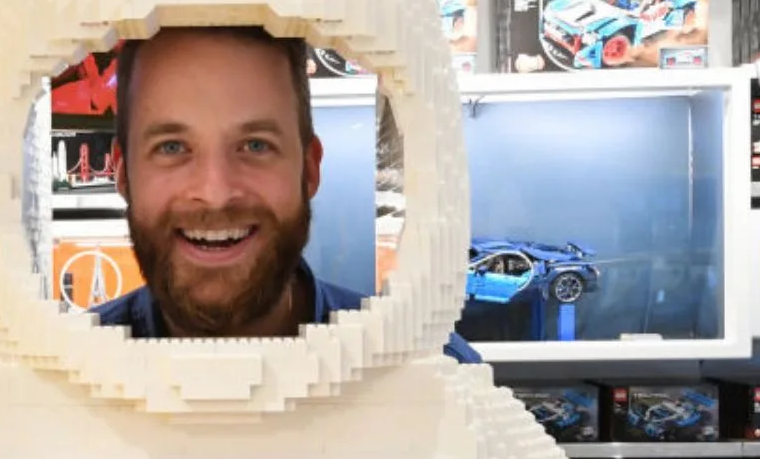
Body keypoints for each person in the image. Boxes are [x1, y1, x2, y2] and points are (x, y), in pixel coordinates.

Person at [94, 26, 477, 362]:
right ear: (123, 173)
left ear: (309, 168)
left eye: (255, 146)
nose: (215, 194)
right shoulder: (57, 397)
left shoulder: (431, 379)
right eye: (172, 147)